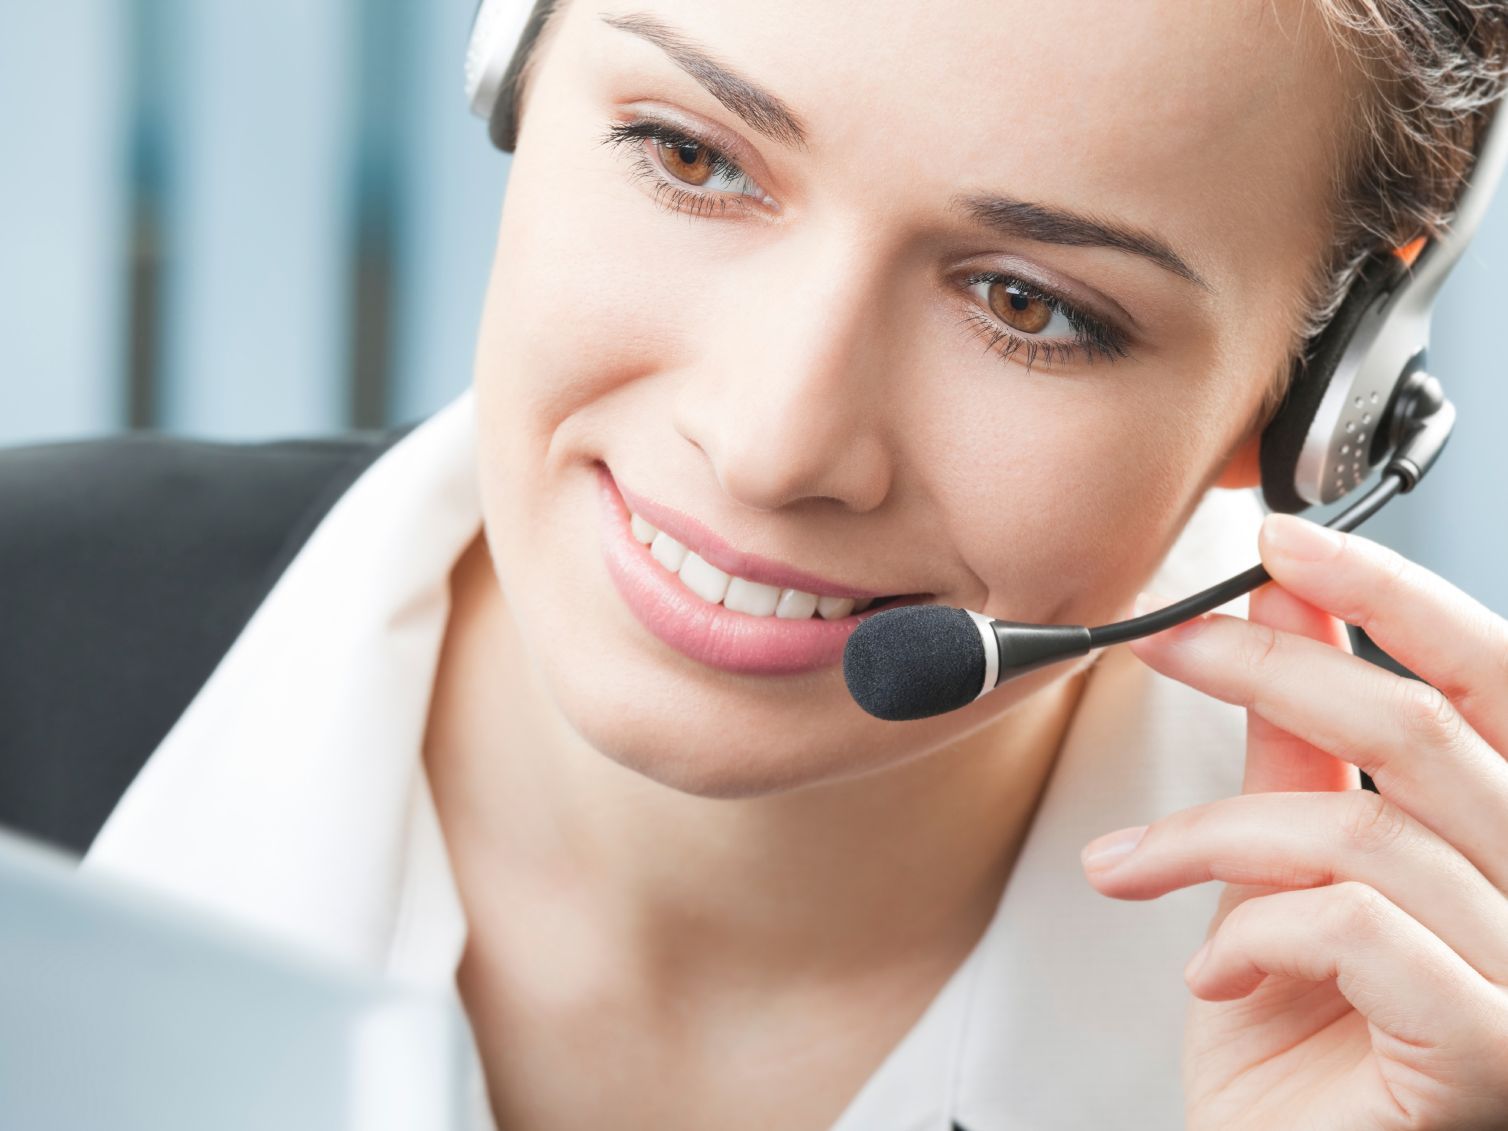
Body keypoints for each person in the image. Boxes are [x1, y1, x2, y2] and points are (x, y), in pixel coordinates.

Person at [5, 1, 1508, 1127]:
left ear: (1325, 400)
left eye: (1027, 304)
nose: (775, 443)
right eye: (689, 156)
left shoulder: (1440, 1026)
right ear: (516, 52)